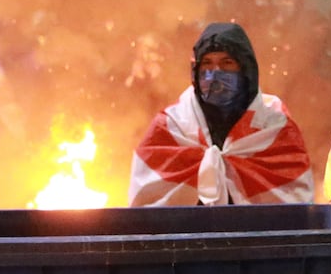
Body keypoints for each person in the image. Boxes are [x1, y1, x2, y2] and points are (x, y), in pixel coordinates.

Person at [129, 21, 313, 206]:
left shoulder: (275, 126)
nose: (215, 73)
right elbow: (146, 212)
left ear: (245, 69)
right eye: (207, 64)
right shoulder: (171, 126)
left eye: (227, 63)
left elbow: (295, 210)